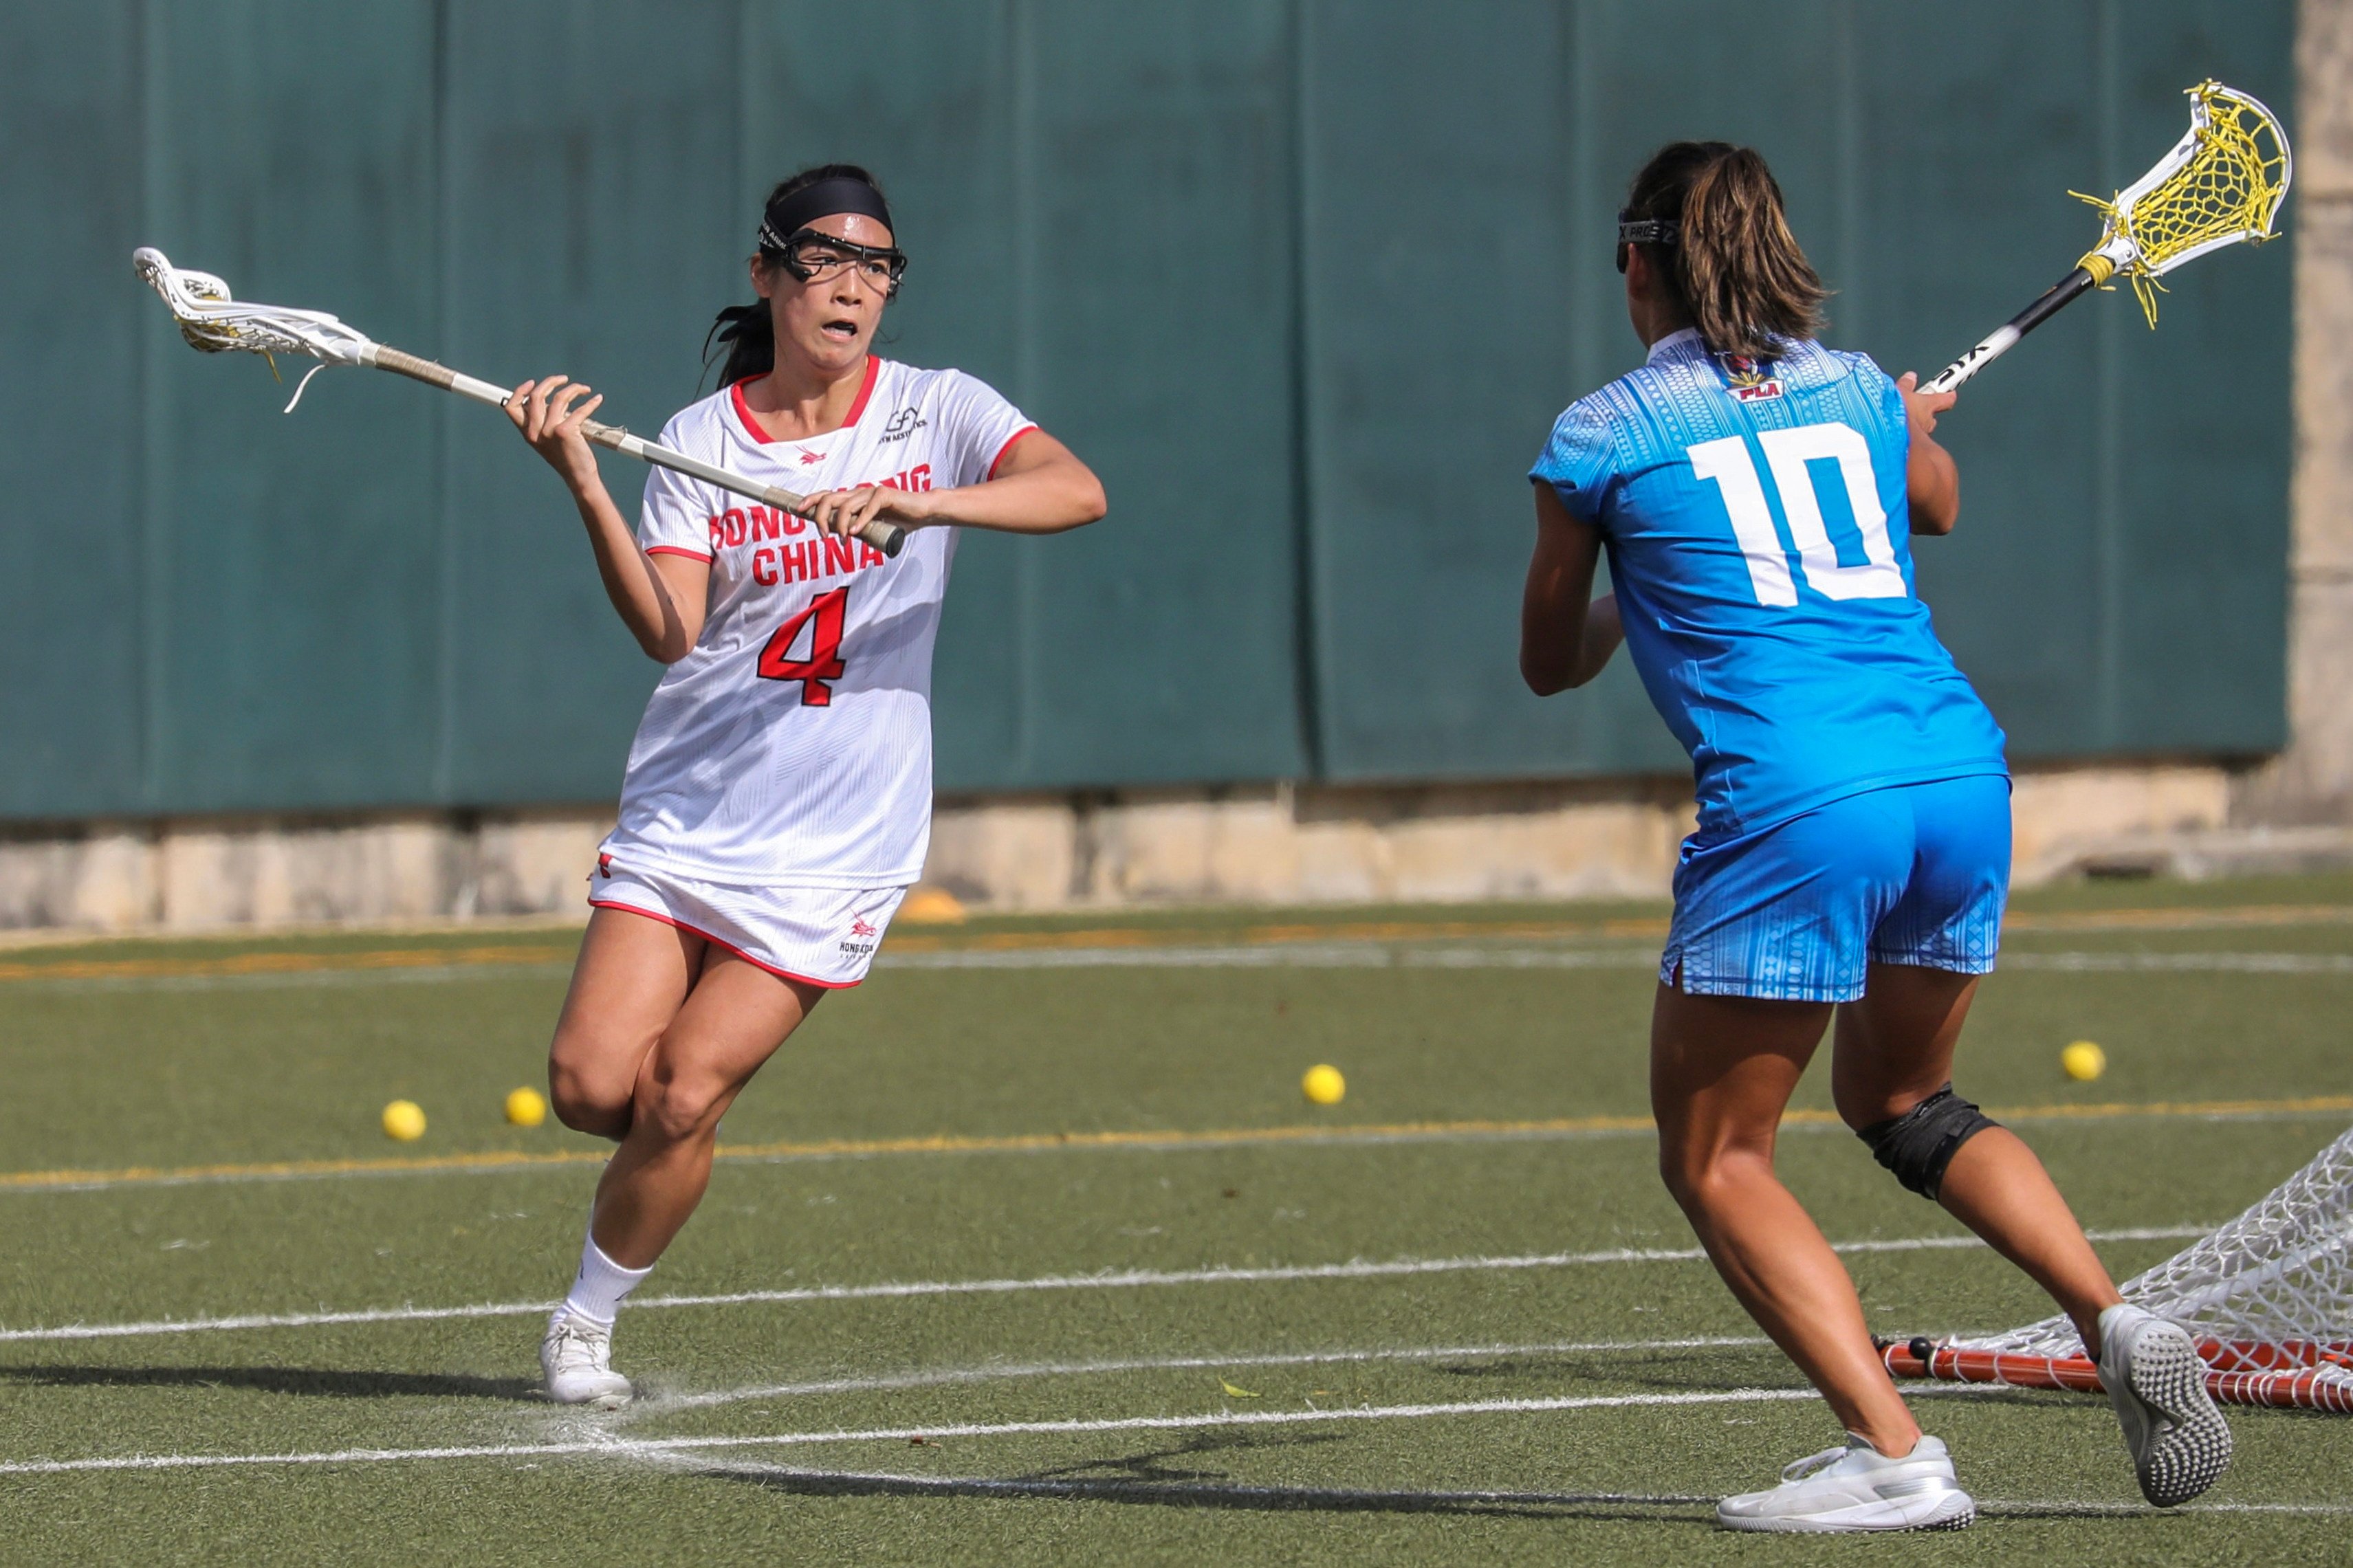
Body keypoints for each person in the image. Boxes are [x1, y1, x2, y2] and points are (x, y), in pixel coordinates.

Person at [1520, 142, 2230, 1532]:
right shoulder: (1851, 388)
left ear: (1641, 262)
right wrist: (1903, 429)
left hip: (1802, 796)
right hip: (1955, 772)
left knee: (1717, 1156)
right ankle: (2111, 1313)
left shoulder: (1598, 434)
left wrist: (1633, 579)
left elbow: (1553, 660)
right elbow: (1936, 504)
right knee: (1905, 1104)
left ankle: (1892, 1454)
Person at [506, 164, 1105, 1408]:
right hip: (691, 814)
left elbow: (1075, 491)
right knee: (590, 1088)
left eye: (877, 264)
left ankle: (582, 1323)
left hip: (837, 842)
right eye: (825, 258)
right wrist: (582, 482)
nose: (853, 285)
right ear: (766, 274)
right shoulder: (697, 438)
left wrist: (918, 503)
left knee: (681, 1087)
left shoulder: (937, 409)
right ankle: (677, 1146)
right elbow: (670, 628)